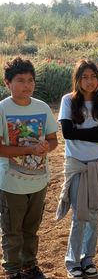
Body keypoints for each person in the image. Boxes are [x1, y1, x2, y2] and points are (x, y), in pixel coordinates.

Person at [0, 57, 58, 279]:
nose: (27, 85)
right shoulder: (3, 109)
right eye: (20, 80)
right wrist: (28, 151)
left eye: (31, 80)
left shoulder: (41, 107)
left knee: (31, 230)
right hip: (11, 182)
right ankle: (13, 270)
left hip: (39, 180)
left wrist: (46, 147)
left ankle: (29, 266)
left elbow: (53, 140)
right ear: (7, 82)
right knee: (12, 231)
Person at [56, 60, 98, 279]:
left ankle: (88, 258)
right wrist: (94, 134)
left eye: (93, 77)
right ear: (78, 80)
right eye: (84, 77)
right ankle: (73, 261)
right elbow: (67, 133)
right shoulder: (67, 101)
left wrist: (81, 133)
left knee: (93, 214)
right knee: (79, 214)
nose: (89, 81)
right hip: (77, 164)